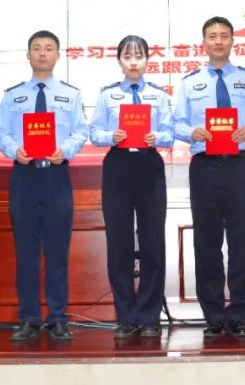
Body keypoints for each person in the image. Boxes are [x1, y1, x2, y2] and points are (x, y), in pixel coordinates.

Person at [174, 16, 245, 337]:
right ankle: (214, 315)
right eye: (212, 36)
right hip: (205, 168)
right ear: (204, 42)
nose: (218, 41)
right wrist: (192, 131)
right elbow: (176, 123)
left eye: (224, 36)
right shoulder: (189, 82)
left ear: (232, 41)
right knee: (207, 242)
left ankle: (240, 313)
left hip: (240, 166)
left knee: (241, 241)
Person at [0, 30, 88, 341]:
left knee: (57, 251)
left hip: (56, 176)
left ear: (58, 55)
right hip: (24, 176)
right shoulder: (13, 95)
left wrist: (66, 151)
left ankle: (58, 317)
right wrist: (14, 150)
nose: (43, 53)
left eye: (49, 48)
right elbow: (2, 132)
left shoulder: (70, 94)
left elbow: (80, 131)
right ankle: (29, 318)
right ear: (28, 55)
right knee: (26, 252)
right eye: (37, 48)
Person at [89, 35, 174, 339]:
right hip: (118, 166)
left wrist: (157, 138)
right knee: (119, 241)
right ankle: (126, 316)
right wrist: (110, 136)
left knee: (153, 240)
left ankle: (150, 315)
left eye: (139, 56)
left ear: (148, 60)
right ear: (119, 61)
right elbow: (94, 132)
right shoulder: (107, 95)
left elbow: (170, 133)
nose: (133, 62)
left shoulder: (159, 95)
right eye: (127, 56)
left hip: (149, 165)